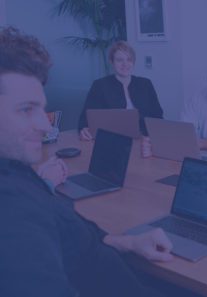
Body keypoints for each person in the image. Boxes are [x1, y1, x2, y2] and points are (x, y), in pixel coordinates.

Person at [0, 26, 179, 297]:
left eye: (41, 108)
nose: (45, 126)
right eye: (26, 109)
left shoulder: (18, 171)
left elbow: (75, 237)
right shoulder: (14, 213)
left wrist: (128, 242)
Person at [78, 40, 163, 141]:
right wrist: (83, 130)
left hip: (144, 140)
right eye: (119, 60)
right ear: (112, 62)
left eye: (129, 59)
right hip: (111, 140)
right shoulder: (100, 85)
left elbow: (158, 117)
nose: (125, 64)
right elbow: (84, 120)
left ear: (133, 62)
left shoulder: (145, 84)